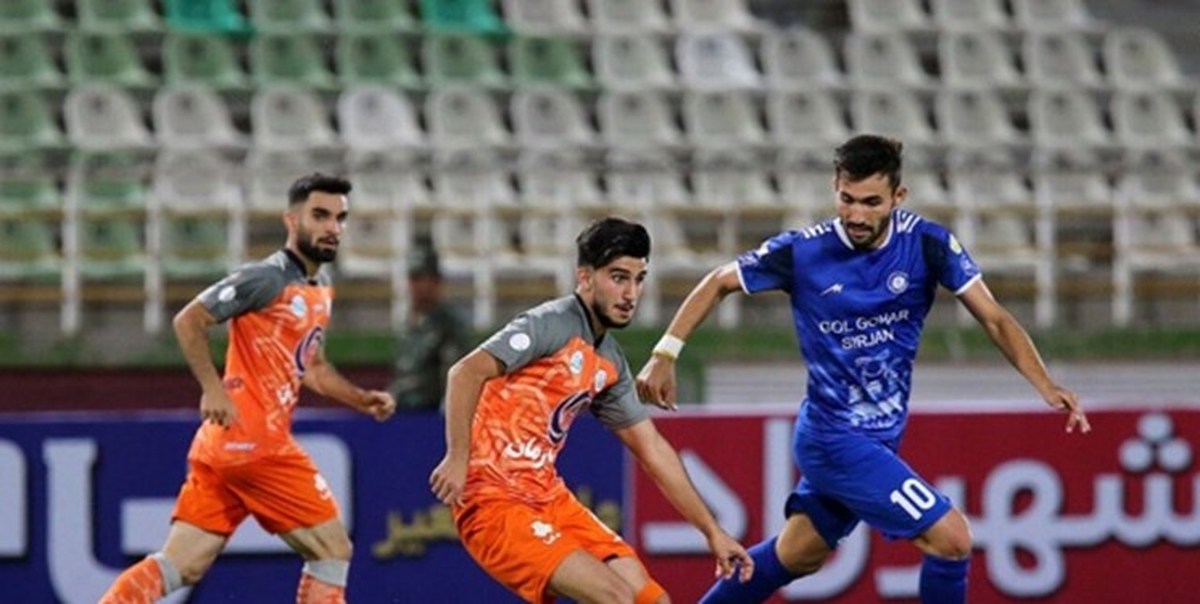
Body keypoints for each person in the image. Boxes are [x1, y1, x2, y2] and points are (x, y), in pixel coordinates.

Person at [636, 135, 1092, 604]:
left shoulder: (928, 244)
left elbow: (994, 318)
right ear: (835, 189)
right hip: (833, 438)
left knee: (796, 555)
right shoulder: (803, 251)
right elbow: (717, 281)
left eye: (871, 202)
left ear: (898, 196)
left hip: (881, 435)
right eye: (846, 199)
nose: (855, 215)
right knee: (952, 539)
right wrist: (665, 354)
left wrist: (1045, 384)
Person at [100, 174, 397, 603]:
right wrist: (212, 388)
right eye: (320, 215)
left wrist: (359, 399)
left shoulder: (320, 286)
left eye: (340, 218)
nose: (332, 227)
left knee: (182, 564)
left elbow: (312, 366)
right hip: (256, 442)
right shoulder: (266, 278)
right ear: (292, 220)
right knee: (332, 550)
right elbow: (190, 320)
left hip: (222, 447)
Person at [429, 217, 754, 604]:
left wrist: (712, 532)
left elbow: (652, 449)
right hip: (493, 501)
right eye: (618, 278)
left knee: (652, 600)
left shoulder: (609, 362)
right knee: (614, 597)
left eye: (638, 280)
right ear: (584, 277)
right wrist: (458, 456)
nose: (630, 294)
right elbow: (465, 372)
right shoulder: (549, 325)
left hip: (549, 498)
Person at [388, 244, 470, 412]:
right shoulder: (408, 321)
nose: (419, 286)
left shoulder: (447, 323)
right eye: (414, 279)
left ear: (436, 282)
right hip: (404, 408)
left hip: (432, 410)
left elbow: (455, 370)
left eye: (424, 279)